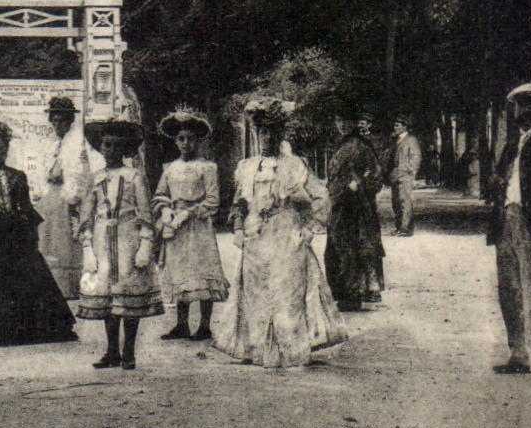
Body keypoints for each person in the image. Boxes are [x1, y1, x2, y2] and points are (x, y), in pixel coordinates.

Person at [215, 98, 346, 368]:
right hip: (256, 236)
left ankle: (291, 351)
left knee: (287, 292)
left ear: (281, 133)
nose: (267, 137)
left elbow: (321, 197)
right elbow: (239, 203)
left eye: (273, 131)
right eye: (262, 131)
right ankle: (259, 351)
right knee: (256, 293)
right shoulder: (247, 166)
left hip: (287, 234)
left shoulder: (295, 164)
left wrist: (309, 228)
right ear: (256, 133)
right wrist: (238, 227)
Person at [0, 121, 78, 347]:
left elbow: (26, 208)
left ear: (7, 150)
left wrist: (30, 233)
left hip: (15, 238)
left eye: (0, 149)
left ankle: (24, 333)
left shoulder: (17, 176)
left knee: (24, 280)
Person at [76, 113, 161, 370]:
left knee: (128, 294)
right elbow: (86, 216)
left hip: (127, 239)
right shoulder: (95, 178)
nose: (109, 150)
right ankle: (112, 350)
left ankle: (129, 351)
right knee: (107, 298)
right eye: (106, 144)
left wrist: (145, 245)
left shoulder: (134, 176)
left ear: (124, 148)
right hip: (103, 239)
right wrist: (88, 247)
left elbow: (145, 214)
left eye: (115, 145)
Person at [487, 82, 531, 384]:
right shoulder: (514, 143)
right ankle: (519, 354)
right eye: (518, 106)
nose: (520, 112)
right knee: (509, 289)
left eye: (526, 105)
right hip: (506, 219)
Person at [152, 110, 229, 341]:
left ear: (198, 141)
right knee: (180, 272)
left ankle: (204, 325)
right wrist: (166, 210)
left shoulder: (207, 167)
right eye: (181, 139)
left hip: (198, 226)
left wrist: (190, 212)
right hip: (176, 227)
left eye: (191, 139)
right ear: (176, 142)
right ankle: (181, 324)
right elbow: (160, 194)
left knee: (202, 272)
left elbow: (213, 200)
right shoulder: (170, 168)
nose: (186, 143)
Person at [325, 111, 385, 311]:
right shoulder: (339, 145)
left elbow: (376, 177)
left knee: (355, 247)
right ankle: (345, 292)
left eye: (346, 120)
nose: (341, 124)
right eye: (338, 119)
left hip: (357, 207)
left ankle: (354, 294)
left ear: (353, 123)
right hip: (340, 204)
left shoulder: (362, 146)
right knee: (340, 247)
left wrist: (358, 184)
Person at [38, 96, 89, 299]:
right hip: (50, 197)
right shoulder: (51, 145)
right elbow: (43, 170)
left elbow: (81, 174)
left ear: (70, 122)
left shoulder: (77, 145)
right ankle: (51, 287)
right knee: (49, 239)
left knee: (67, 241)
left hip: (66, 198)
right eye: (55, 121)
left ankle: (69, 287)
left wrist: (73, 197)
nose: (58, 125)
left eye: (62, 121)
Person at [388, 116, 422, 237]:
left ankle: (405, 229)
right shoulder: (396, 140)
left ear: (405, 127)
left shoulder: (411, 140)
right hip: (395, 175)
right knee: (396, 202)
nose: (395, 127)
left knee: (405, 202)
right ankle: (399, 227)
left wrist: (411, 172)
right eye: (394, 125)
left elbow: (416, 158)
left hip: (405, 175)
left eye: (397, 125)